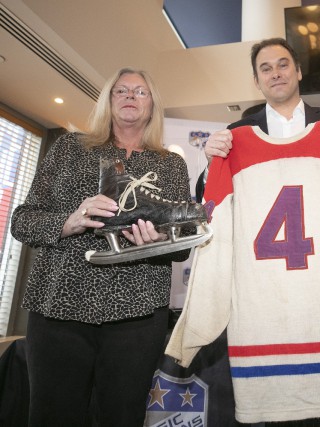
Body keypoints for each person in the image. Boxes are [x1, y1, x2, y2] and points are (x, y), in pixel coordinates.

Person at [10, 67, 195, 426]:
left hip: (138, 316)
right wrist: (72, 220)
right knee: (51, 416)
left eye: (140, 92)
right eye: (121, 91)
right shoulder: (69, 148)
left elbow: (184, 243)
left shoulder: (170, 164)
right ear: (108, 100)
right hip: (58, 307)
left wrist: (157, 239)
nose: (130, 97)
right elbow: (23, 220)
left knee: (122, 418)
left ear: (152, 105)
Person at [194, 37, 320, 203]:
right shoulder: (238, 133)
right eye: (266, 69)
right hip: (260, 251)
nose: (276, 74)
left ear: (298, 72)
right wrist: (213, 165)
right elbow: (209, 199)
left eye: (283, 65)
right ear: (257, 81)